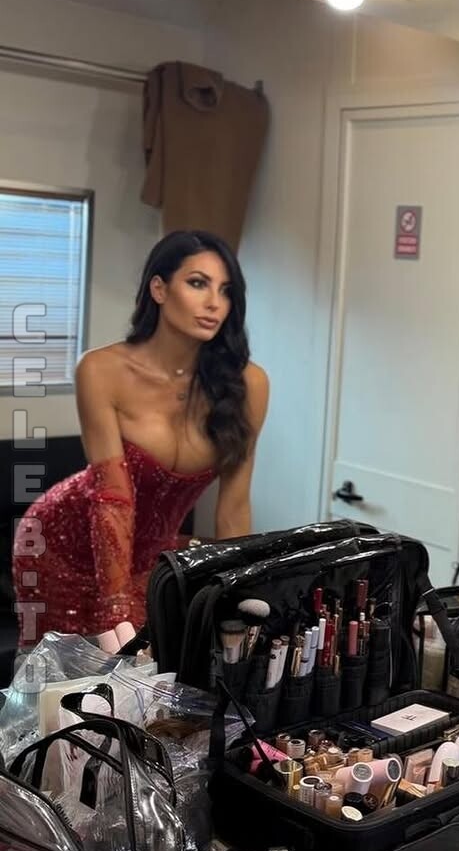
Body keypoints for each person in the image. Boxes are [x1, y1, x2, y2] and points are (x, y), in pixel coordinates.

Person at [13, 230, 269, 651]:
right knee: (60, 675)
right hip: (61, 545)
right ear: (159, 288)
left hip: (152, 559)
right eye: (198, 283)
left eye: (226, 290)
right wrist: (116, 606)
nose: (214, 303)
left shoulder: (249, 384)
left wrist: (231, 596)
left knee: (146, 675)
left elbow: (234, 507)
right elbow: (112, 498)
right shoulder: (100, 369)